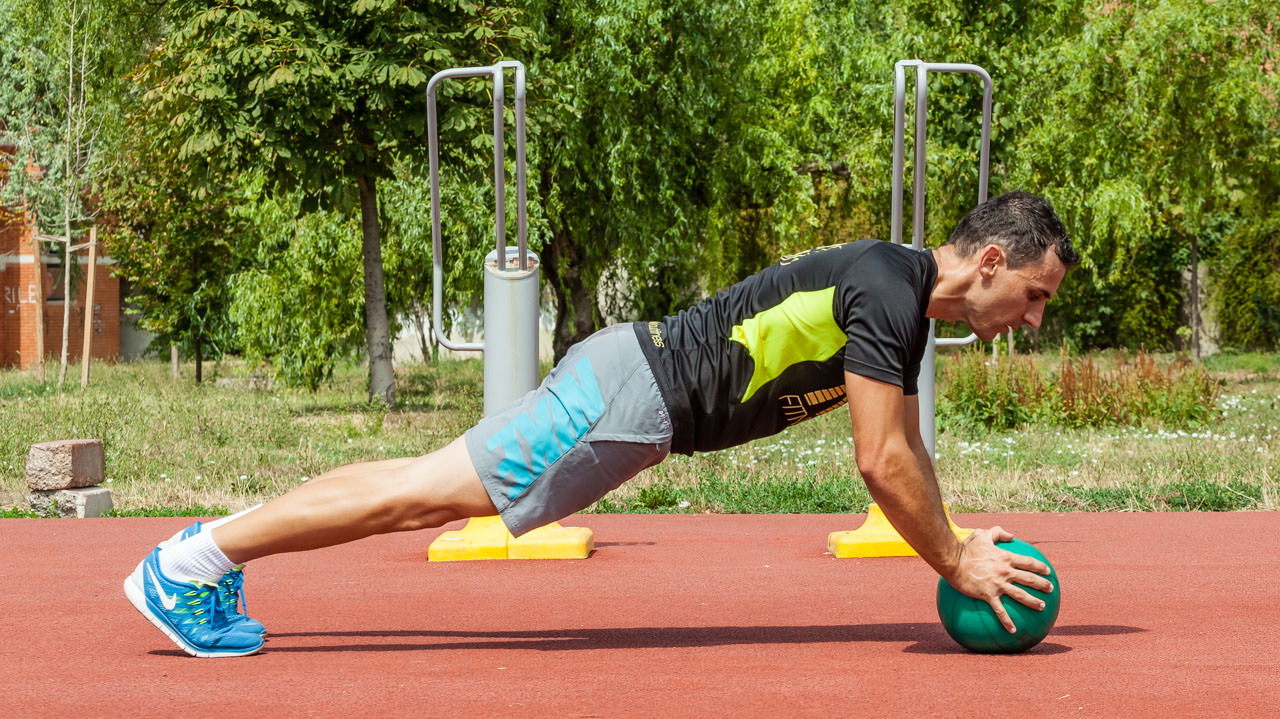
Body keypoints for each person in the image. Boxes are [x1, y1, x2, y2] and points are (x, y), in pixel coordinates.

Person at [124, 190, 1080, 657]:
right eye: (1034, 297)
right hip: (630, 401)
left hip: (631, 390)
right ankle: (194, 563)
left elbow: (905, 446)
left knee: (423, 485)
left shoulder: (904, 302)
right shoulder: (888, 286)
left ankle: (202, 555)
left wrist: (959, 534)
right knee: (420, 495)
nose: (1031, 322)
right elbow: (877, 463)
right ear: (991, 259)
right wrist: (954, 562)